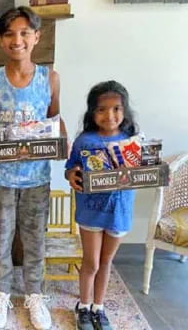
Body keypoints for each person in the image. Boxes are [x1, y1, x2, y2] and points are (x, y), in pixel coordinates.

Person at [0, 6, 67, 330]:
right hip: (0, 177)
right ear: (1, 41)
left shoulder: (49, 78)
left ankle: (34, 296)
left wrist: (62, 141)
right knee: (0, 238)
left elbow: (54, 120)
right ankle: (1, 293)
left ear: (37, 37)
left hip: (37, 178)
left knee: (34, 239)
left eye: (25, 33)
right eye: (10, 34)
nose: (18, 40)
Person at [65, 80, 138, 330]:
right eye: (101, 109)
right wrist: (71, 175)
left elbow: (143, 170)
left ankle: (99, 307)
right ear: (92, 113)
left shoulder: (132, 142)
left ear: (124, 110)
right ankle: (83, 306)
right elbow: (70, 168)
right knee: (91, 262)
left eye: (116, 108)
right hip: (91, 211)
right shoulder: (84, 141)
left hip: (119, 211)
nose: (110, 115)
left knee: (106, 262)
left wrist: (157, 173)